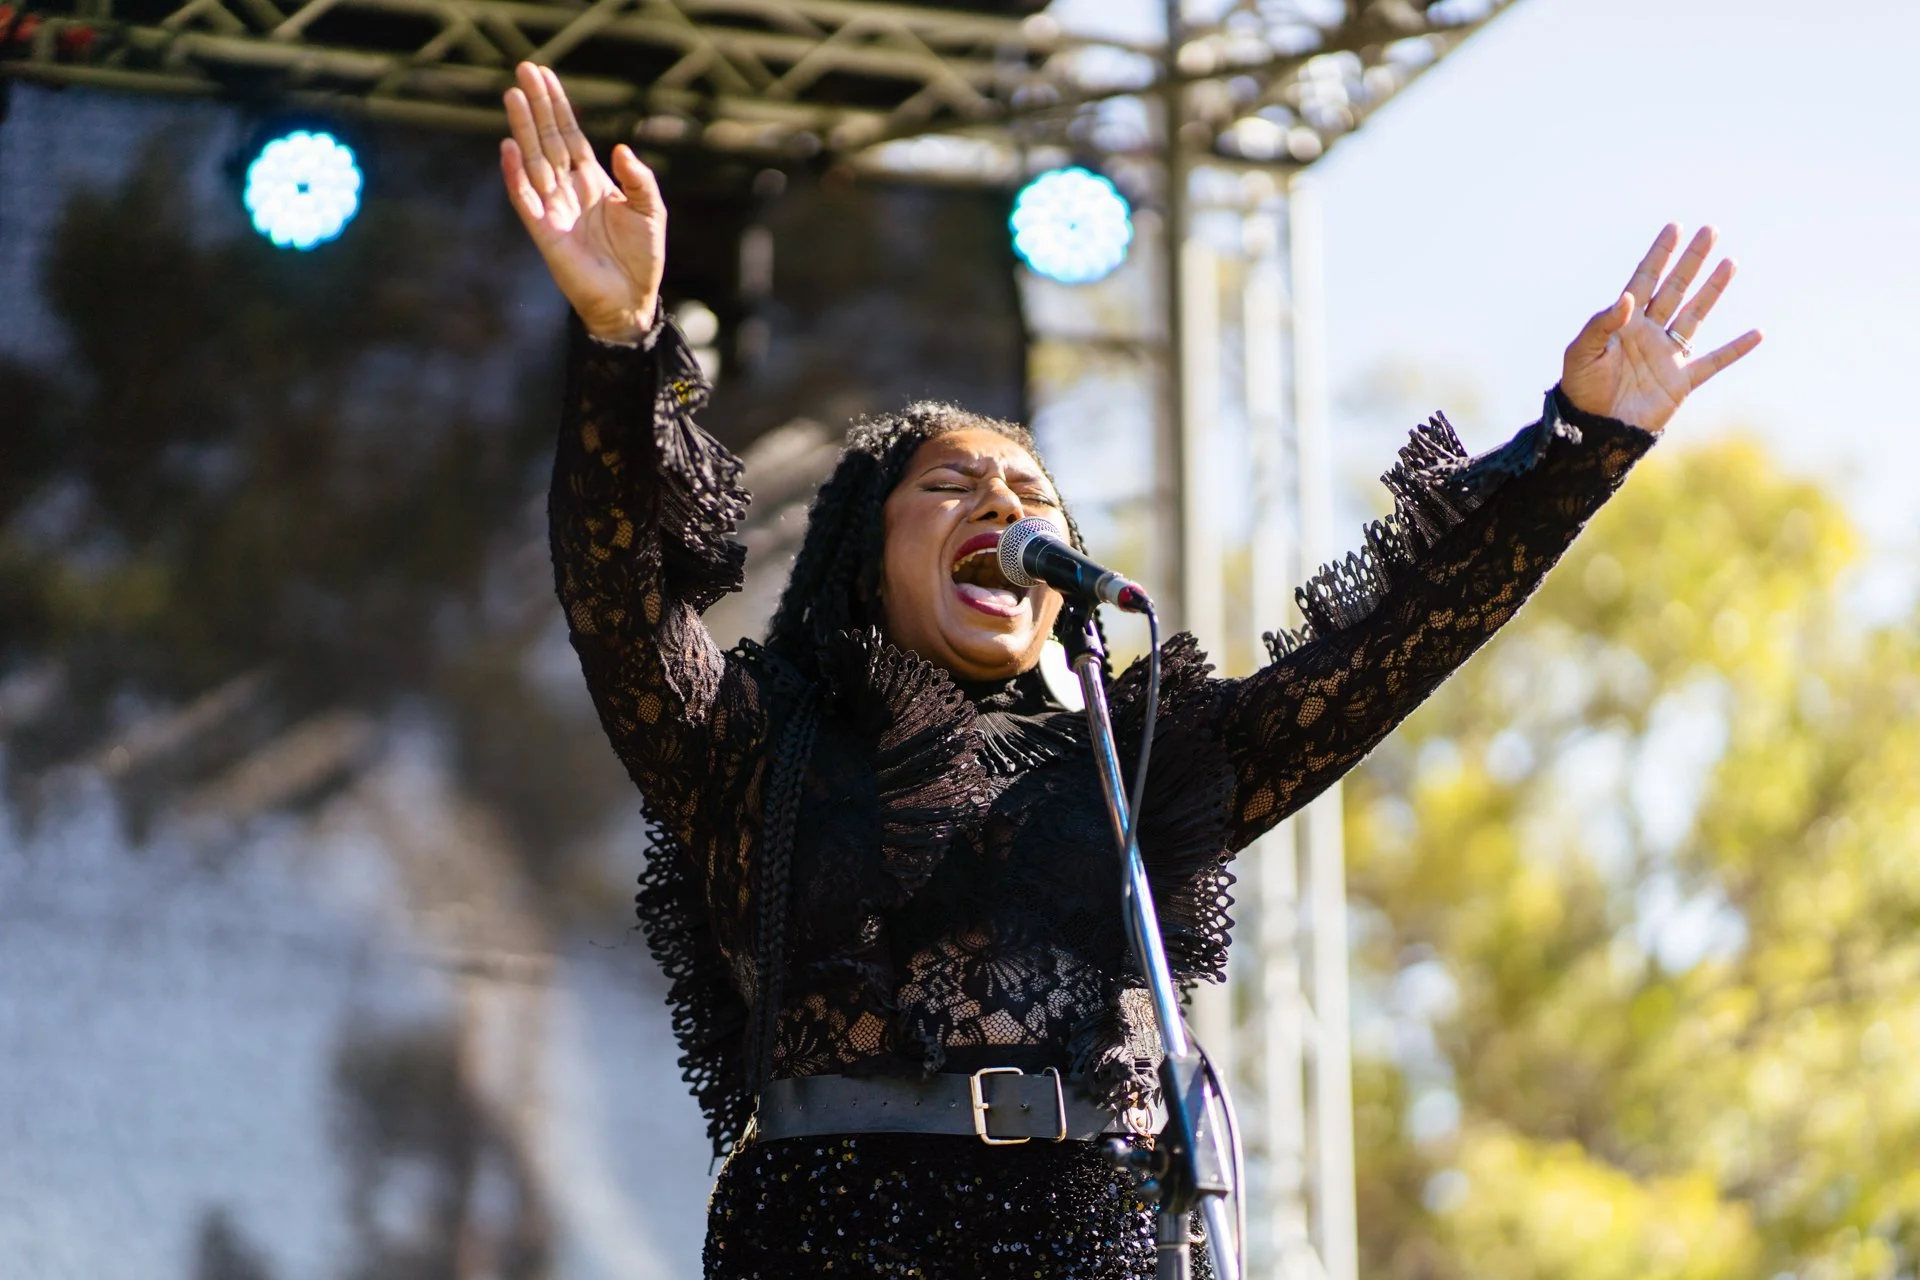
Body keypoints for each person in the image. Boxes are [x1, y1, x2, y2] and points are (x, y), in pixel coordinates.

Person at [499, 59, 1761, 1279]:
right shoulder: (756, 743)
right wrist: (620, 340)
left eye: (1030, 491)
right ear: (861, 558)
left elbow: (1384, 653)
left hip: (1098, 1234)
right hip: (832, 1233)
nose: (999, 499)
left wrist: (1581, 445)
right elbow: (617, 596)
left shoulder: (1132, 756)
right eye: (948, 486)